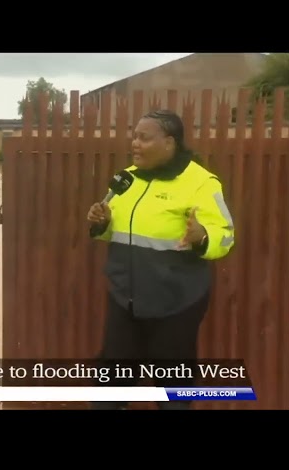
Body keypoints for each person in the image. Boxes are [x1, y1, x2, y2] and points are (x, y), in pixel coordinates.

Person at [87, 109, 235, 410]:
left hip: (176, 304)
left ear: (169, 142)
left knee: (174, 394)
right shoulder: (126, 179)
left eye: (144, 138)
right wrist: (100, 223)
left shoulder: (201, 183)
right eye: (134, 137)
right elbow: (113, 232)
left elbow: (226, 235)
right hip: (124, 298)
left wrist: (203, 236)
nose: (135, 144)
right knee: (108, 391)